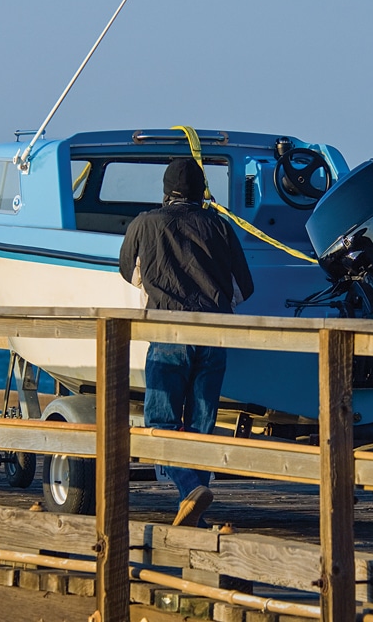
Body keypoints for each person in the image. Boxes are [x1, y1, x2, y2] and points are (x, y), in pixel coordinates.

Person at [119, 158, 254, 526]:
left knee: (159, 423)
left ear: (165, 191)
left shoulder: (144, 224)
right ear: (201, 192)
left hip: (167, 335)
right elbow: (244, 288)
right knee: (201, 427)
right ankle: (194, 505)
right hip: (212, 337)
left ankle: (190, 487)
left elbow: (129, 274)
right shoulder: (220, 226)